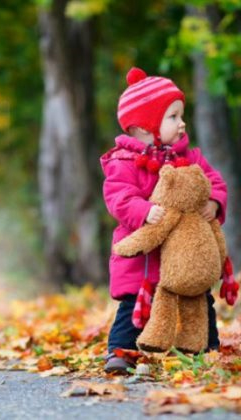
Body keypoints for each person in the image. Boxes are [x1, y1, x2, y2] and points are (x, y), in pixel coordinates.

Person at [100, 67, 229, 374]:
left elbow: (215, 182)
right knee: (134, 307)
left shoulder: (190, 158)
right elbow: (118, 196)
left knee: (200, 300)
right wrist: (143, 211)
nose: (182, 123)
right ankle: (121, 352)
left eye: (181, 115)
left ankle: (206, 348)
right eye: (172, 117)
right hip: (142, 258)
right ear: (144, 127)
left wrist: (213, 201)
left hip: (183, 256)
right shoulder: (124, 162)